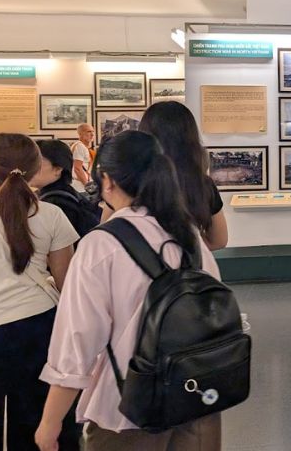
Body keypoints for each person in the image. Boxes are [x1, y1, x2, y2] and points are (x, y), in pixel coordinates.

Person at [35, 130, 224, 451]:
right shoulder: (187, 233)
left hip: (127, 409)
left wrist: (50, 423)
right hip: (195, 397)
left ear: (107, 181)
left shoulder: (101, 244)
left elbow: (77, 342)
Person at [0, 134, 79, 450]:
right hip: (40, 326)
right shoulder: (51, 215)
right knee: (39, 416)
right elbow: (68, 284)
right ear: (35, 167)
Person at [137, 101, 228, 250]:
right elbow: (218, 240)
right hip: (186, 267)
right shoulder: (201, 184)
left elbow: (107, 232)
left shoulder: (129, 180)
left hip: (136, 267)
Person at [32, 139, 101, 238]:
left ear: (58, 169)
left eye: (36, 162)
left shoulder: (56, 204)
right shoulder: (67, 194)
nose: (29, 167)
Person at [70, 123, 95, 194]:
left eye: (93, 131)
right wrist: (88, 186)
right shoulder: (79, 146)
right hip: (80, 188)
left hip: (81, 186)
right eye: (89, 131)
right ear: (80, 134)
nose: (92, 134)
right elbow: (77, 168)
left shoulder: (82, 147)